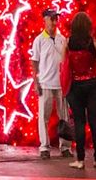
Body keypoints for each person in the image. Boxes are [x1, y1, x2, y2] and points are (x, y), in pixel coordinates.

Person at [62, 11, 96, 170]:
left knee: (79, 123)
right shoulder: (93, 43)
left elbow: (63, 64)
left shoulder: (68, 42)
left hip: (75, 87)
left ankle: (80, 160)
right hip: (92, 85)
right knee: (95, 122)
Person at [30, 8, 72, 159]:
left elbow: (66, 60)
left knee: (64, 116)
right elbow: (34, 62)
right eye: (51, 19)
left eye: (56, 19)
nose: (54, 22)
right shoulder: (39, 40)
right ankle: (44, 147)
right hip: (46, 83)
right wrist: (36, 82)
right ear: (45, 20)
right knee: (44, 116)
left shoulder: (62, 39)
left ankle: (65, 146)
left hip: (61, 83)